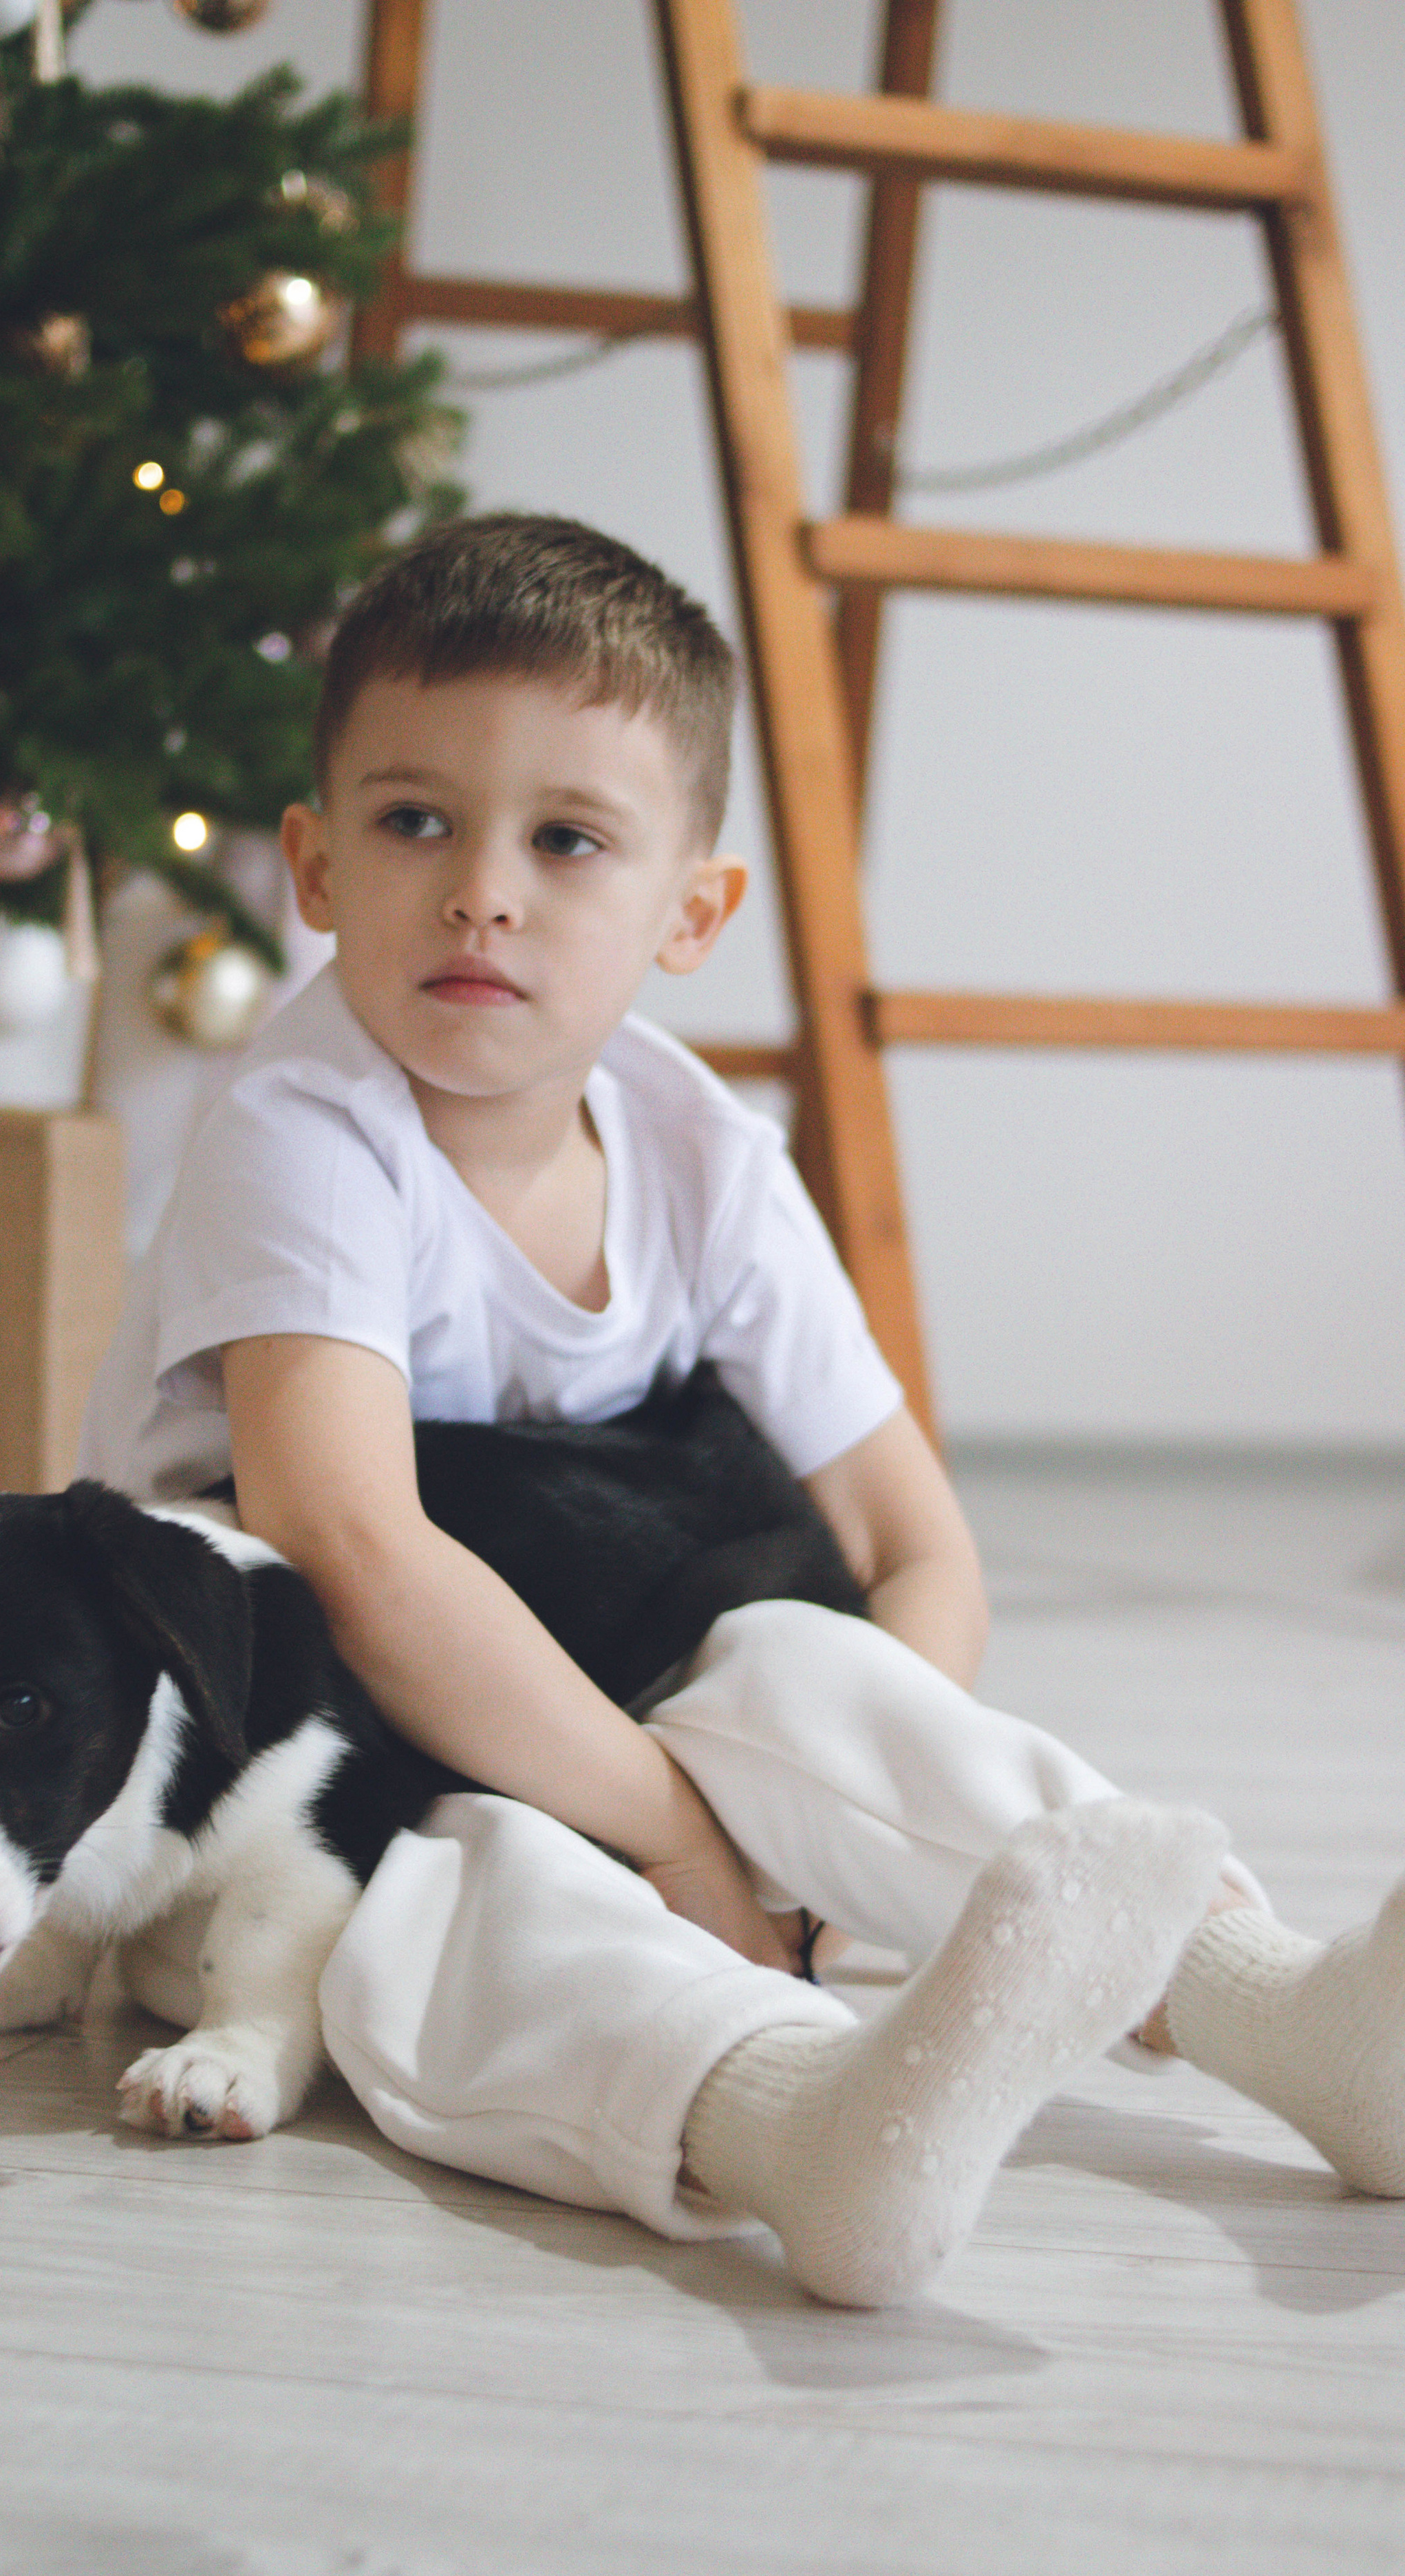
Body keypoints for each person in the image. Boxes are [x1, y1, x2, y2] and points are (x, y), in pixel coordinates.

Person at [81, 513, 1405, 2306]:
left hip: (571, 1675)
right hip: (263, 1738)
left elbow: (910, 1543)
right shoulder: (308, 1135)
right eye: (416, 822)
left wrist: (828, 1844)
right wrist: (683, 1836)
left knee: (808, 1664)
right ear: (312, 867)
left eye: (567, 840)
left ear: (691, 911)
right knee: (478, 1897)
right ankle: (799, 2125)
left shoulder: (698, 1145)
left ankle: (1269, 2005)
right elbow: (356, 1554)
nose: (484, 887)